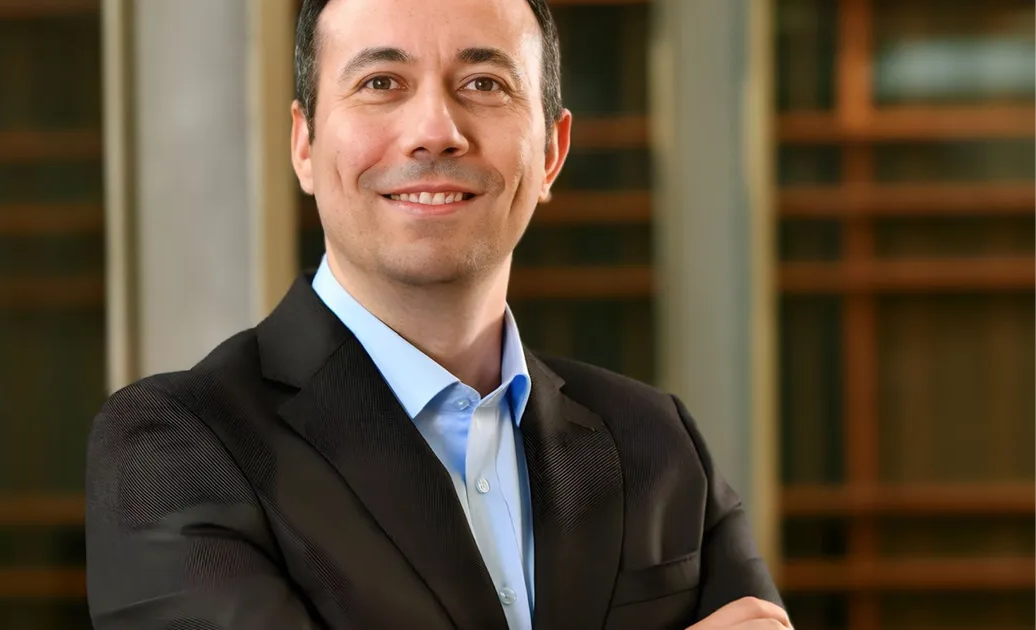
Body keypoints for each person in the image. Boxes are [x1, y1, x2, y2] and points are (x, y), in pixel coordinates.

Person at [85, 0, 790, 628]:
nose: (434, 131)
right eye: (380, 83)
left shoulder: (658, 445)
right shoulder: (178, 448)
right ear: (304, 145)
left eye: (484, 84)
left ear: (552, 151)